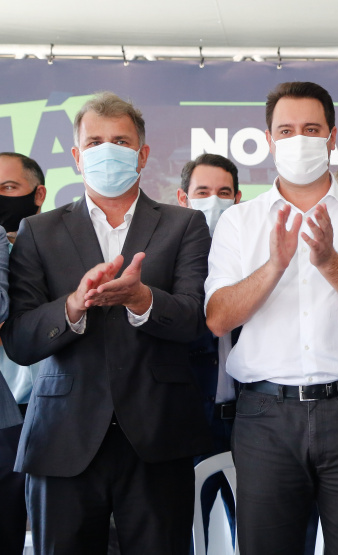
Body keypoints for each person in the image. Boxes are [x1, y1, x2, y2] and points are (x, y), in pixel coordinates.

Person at [0, 92, 213, 552]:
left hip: (158, 435)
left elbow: (195, 319)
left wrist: (141, 299)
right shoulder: (40, 231)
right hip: (63, 436)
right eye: (94, 141)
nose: (107, 150)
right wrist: (73, 305)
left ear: (143, 153)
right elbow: (18, 339)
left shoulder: (184, 224)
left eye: (120, 140)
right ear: (76, 156)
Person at [205, 81, 338, 554]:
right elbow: (217, 319)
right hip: (265, 418)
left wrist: (328, 259)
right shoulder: (239, 221)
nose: (299, 140)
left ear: (332, 137)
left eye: (311, 129)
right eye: (286, 130)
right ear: (269, 139)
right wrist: (275, 265)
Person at [176, 152, 242, 549]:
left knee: (255, 532)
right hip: (187, 418)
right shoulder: (168, 257)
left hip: (250, 418)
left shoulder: (255, 254)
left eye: (223, 192)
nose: (213, 200)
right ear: (183, 198)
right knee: (184, 529)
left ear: (238, 198)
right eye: (202, 191)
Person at [0, 152, 45, 555]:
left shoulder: (55, 248)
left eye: (8, 189)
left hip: (52, 409)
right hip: (6, 415)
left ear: (37, 194)